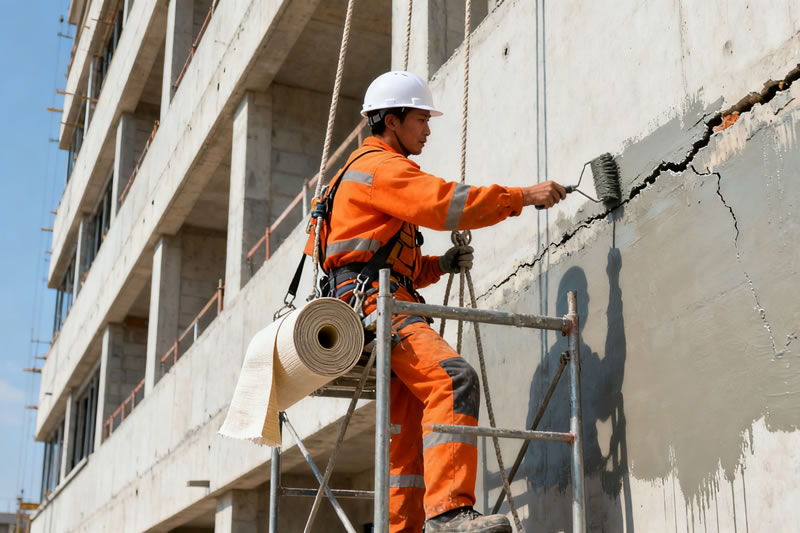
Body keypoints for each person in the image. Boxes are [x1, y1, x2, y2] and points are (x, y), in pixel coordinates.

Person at [305, 71, 566, 532]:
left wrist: (439, 266)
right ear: (391, 120)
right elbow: (446, 204)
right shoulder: (381, 169)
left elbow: (377, 260)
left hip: (375, 299)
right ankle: (448, 514)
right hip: (376, 307)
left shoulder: (356, 172)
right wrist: (522, 197)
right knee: (454, 380)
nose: (427, 130)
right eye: (421, 119)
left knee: (405, 431)